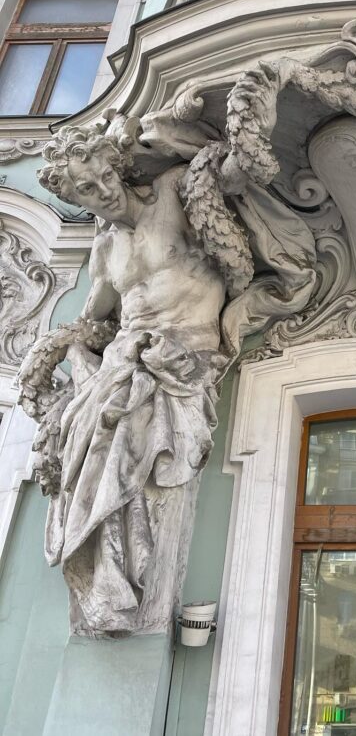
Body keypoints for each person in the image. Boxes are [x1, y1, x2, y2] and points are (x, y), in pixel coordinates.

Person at [33, 126, 226, 633]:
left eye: (105, 177)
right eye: (87, 190)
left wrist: (160, 133)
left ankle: (119, 578)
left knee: (125, 432)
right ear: (75, 200)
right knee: (89, 441)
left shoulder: (170, 193)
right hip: (126, 358)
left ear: (117, 168)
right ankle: (107, 577)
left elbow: (219, 158)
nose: (104, 193)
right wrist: (65, 347)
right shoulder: (104, 251)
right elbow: (92, 319)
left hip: (180, 353)